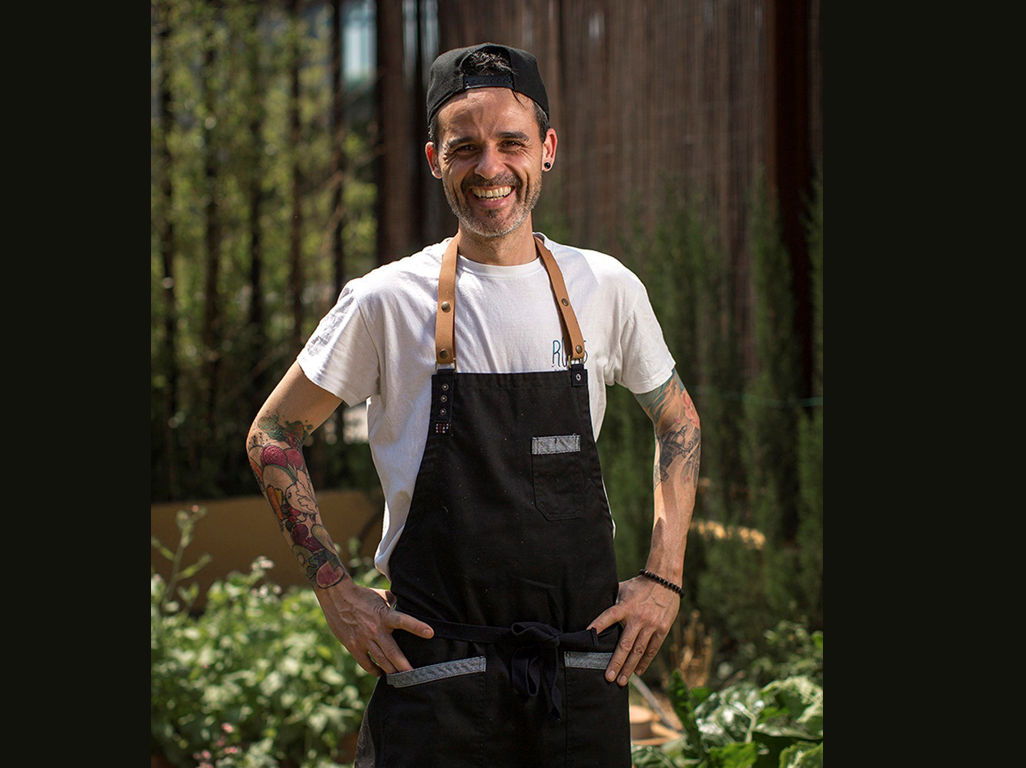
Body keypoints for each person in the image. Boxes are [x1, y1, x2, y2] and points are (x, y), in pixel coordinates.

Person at [246, 42, 700, 768]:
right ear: (435, 159)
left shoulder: (607, 287)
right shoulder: (386, 301)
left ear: (547, 148)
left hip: (580, 672)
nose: (490, 169)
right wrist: (335, 592)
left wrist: (664, 577)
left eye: (510, 143)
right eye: (465, 149)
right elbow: (273, 433)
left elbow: (677, 420)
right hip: (437, 677)